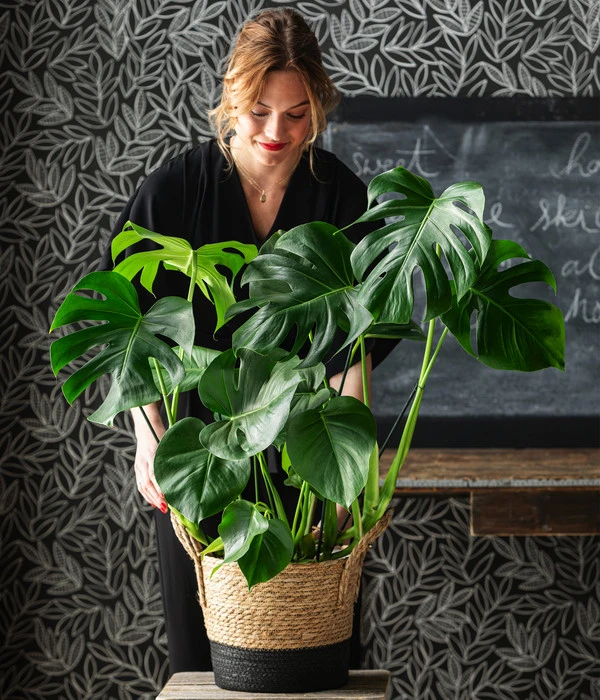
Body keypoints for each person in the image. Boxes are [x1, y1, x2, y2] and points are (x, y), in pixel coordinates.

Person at [103, 7, 380, 674]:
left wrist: (347, 477)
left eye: (297, 114)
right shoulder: (173, 194)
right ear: (232, 96)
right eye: (260, 112)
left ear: (318, 106)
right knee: (206, 663)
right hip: (201, 458)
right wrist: (149, 438)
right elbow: (132, 329)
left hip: (307, 461)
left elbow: (354, 350)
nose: (278, 132)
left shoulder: (343, 199)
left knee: (316, 660)